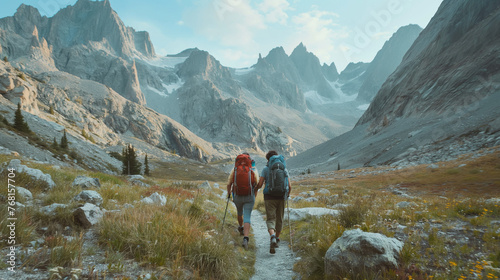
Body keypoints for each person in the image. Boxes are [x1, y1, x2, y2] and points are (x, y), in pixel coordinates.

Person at [255, 150, 292, 254]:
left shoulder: (266, 169)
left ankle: (272, 237)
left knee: (271, 218)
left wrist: (256, 189)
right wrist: (287, 195)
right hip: (281, 197)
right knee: (279, 218)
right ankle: (277, 238)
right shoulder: (284, 168)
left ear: (268, 159)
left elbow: (260, 183)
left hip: (269, 197)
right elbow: (289, 186)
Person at [226, 153, 258, 250]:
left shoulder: (235, 170)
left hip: (238, 196)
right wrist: (254, 196)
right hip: (249, 196)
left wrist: (229, 194)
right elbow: (256, 184)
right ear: (249, 159)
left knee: (240, 212)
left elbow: (229, 183)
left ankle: (240, 227)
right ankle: (245, 238)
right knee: (247, 216)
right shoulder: (253, 169)